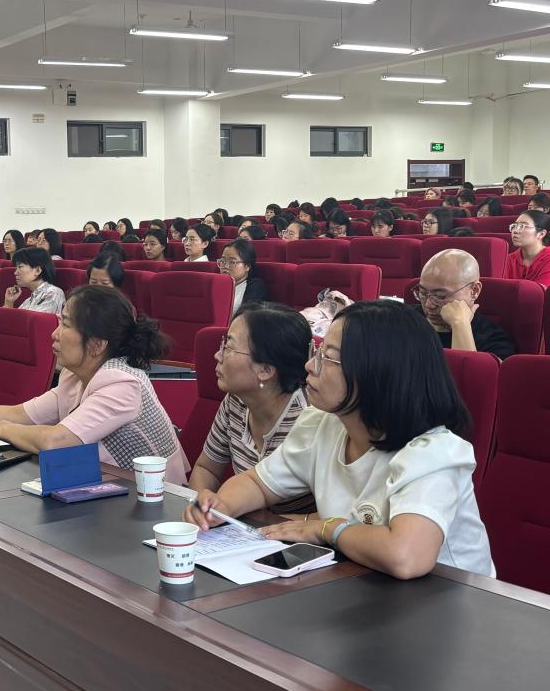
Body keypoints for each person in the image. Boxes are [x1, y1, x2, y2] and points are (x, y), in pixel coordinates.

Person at [184, 299, 494, 579]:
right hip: (368, 585)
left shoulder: (434, 452)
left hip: (451, 603)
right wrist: (221, 505)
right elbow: (257, 483)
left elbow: (406, 557)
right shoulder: (324, 425)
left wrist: (326, 528)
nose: (309, 366)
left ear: (375, 373)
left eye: (327, 358)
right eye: (317, 353)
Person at [0, 286, 188, 483]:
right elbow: (21, 413)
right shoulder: (74, 375)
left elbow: (56, 441)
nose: (54, 333)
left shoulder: (122, 383)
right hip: (104, 482)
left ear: (97, 344)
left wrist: (4, 430)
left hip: (154, 499)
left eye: (65, 325)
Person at [188, 302, 313, 513]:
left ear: (265, 370)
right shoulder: (236, 401)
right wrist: (202, 506)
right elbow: (206, 468)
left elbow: (334, 514)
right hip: (242, 526)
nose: (217, 355)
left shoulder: (308, 419)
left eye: (228, 347)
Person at [413, 249, 516, 359]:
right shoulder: (407, 319)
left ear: (474, 290)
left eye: (440, 296)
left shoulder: (493, 341)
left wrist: (460, 324)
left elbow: (469, 370)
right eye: (423, 293)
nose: (429, 305)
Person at [5, 247, 64, 314]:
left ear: (37, 271)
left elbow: (33, 320)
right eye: (16, 268)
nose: (15, 272)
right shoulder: (29, 299)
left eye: (20, 267)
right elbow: (12, 319)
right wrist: (9, 302)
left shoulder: (53, 293)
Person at [218, 239, 269, 313]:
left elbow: (247, 316)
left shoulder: (256, 286)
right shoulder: (216, 283)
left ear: (247, 266)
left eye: (232, 262)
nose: (225, 266)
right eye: (223, 261)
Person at [505, 210, 550, 287]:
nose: (515, 231)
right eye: (514, 226)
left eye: (523, 226)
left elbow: (541, 292)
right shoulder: (508, 259)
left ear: (541, 234)